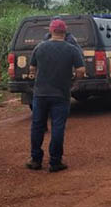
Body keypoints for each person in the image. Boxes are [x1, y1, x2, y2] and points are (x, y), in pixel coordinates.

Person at [26, 19, 85, 172]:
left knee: (37, 127)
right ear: (65, 32)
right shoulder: (72, 49)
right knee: (58, 127)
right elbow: (81, 71)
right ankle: (55, 161)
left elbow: (32, 68)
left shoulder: (39, 48)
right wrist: (74, 82)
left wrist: (39, 76)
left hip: (40, 94)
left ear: (50, 31)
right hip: (61, 94)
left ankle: (35, 159)